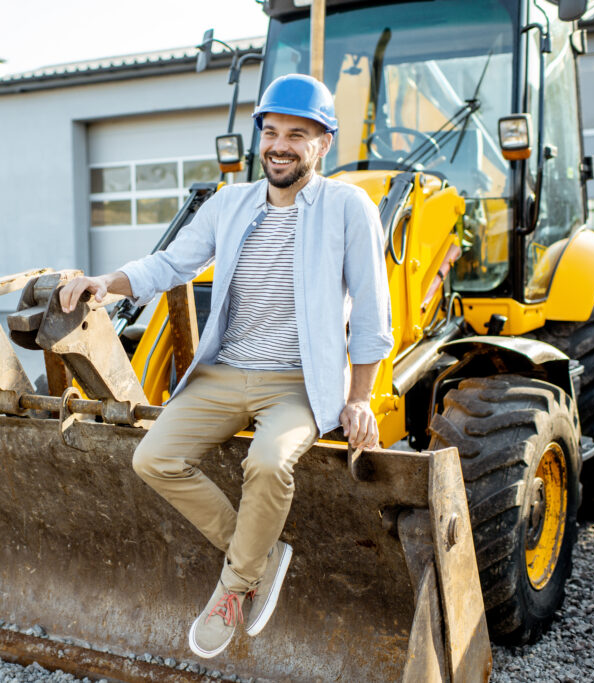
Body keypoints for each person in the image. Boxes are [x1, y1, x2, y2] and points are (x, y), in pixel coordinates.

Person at [58, 74, 393, 659]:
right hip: (224, 371)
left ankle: (234, 587)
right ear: (259, 139)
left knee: (267, 463)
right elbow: (171, 263)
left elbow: (371, 309)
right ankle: (260, 554)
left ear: (323, 143)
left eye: (297, 133)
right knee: (153, 458)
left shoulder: (348, 207)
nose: (280, 145)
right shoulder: (231, 204)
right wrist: (105, 283)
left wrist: (359, 397)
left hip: (297, 380)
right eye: (270, 132)